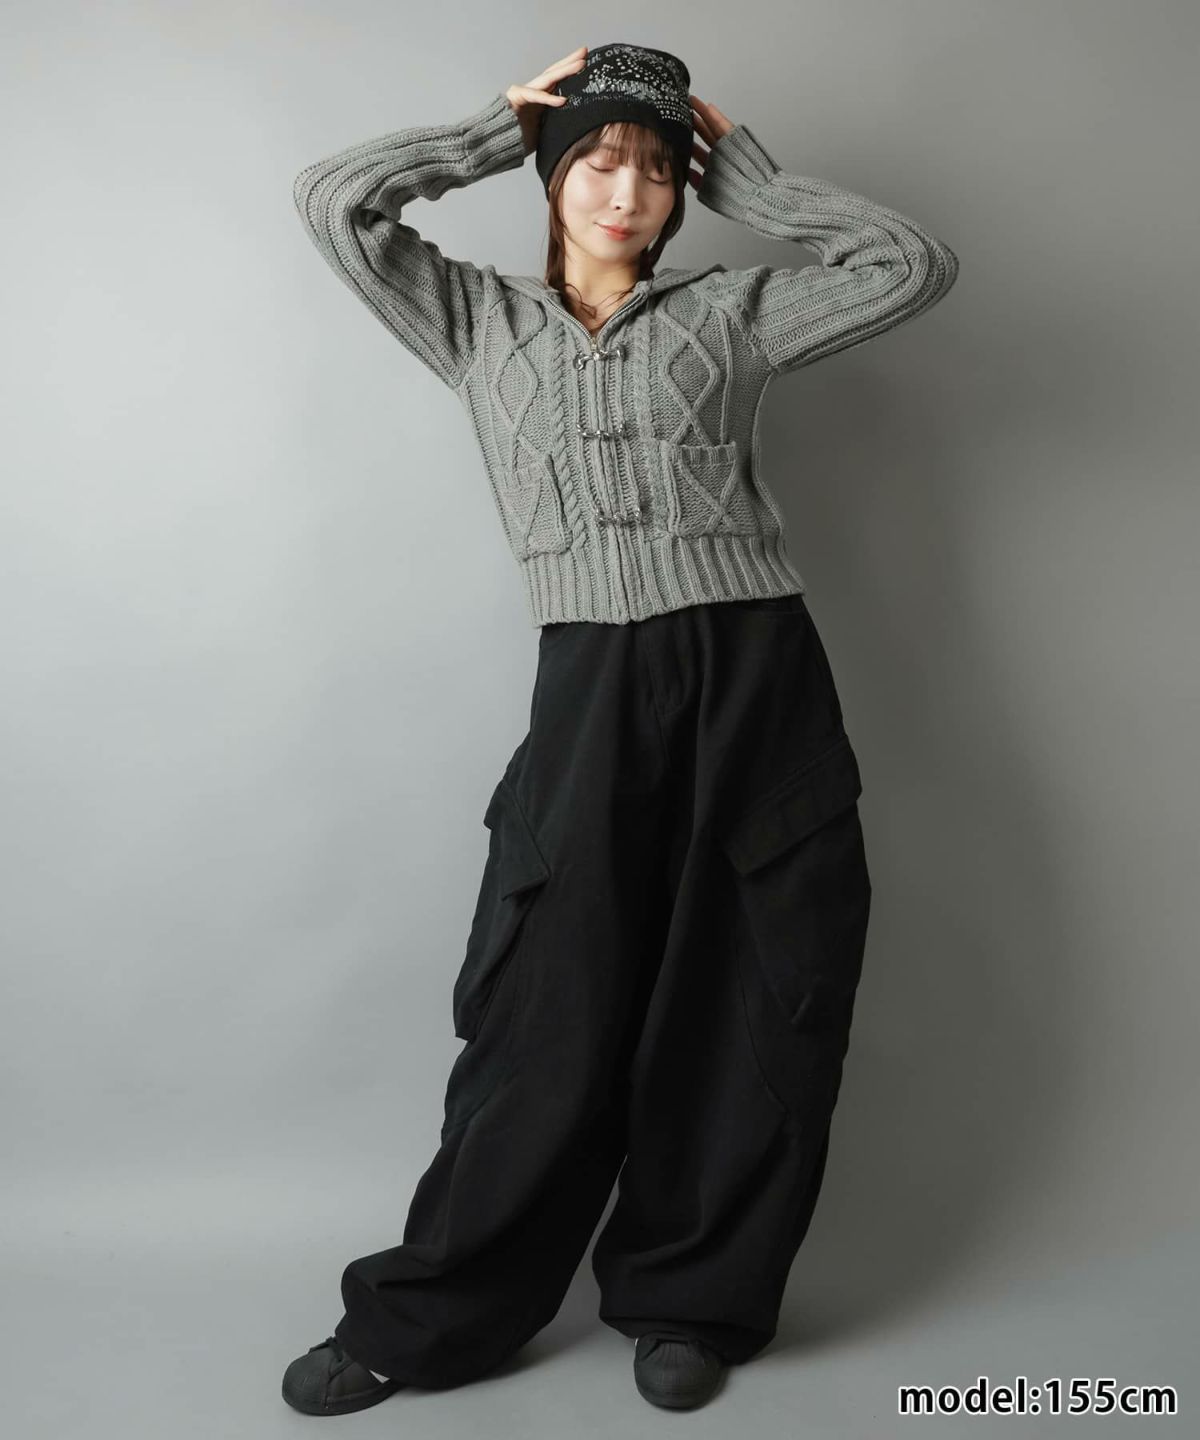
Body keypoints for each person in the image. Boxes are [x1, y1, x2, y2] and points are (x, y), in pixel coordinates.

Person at [282, 41, 959, 1415]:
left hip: (758, 668)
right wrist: (496, 127)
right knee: (548, 999)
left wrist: (745, 175)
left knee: (754, 982)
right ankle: (440, 1313)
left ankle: (690, 1299)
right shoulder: (474, 320)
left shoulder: (736, 314)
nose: (624, 191)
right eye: (596, 161)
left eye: (654, 169)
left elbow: (912, 266)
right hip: (592, 679)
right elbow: (335, 203)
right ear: (552, 179)